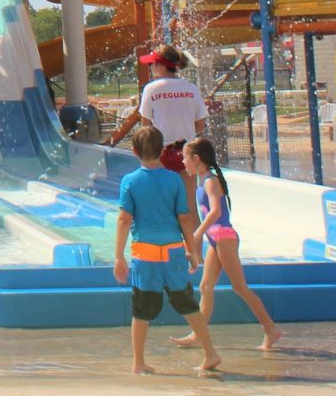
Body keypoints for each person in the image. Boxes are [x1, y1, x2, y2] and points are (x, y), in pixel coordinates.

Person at [114, 123, 220, 375]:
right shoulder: (174, 179)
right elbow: (184, 218)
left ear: (134, 150)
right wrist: (192, 251)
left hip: (145, 255)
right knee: (187, 304)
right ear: (162, 150)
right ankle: (210, 353)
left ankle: (138, 362)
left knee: (141, 310)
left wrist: (118, 255)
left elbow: (124, 220)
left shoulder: (130, 180)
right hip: (173, 252)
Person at [172, 136, 280, 352]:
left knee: (239, 287)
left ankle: (270, 328)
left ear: (196, 158)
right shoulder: (202, 181)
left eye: (184, 158)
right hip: (215, 239)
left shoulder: (211, 181)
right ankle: (197, 334)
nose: (182, 162)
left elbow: (216, 212)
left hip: (223, 237)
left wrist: (196, 235)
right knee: (205, 286)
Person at [106, 46, 208, 183]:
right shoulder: (192, 89)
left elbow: (146, 128)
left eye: (151, 63)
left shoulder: (151, 89)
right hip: (187, 152)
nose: (149, 66)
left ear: (160, 65)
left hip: (160, 153)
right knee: (189, 202)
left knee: (162, 201)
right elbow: (201, 125)